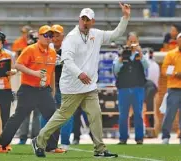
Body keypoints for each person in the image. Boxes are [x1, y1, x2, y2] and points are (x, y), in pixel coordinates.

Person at [32, 3, 130, 158]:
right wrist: (80, 74)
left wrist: (125, 17)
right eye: (83, 19)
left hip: (89, 86)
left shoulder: (96, 34)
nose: (85, 22)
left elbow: (116, 34)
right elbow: (67, 59)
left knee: (95, 115)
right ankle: (39, 141)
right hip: (72, 86)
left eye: (88, 19)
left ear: (93, 21)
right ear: (79, 19)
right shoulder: (71, 38)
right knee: (62, 116)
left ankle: (100, 149)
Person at [0, 25, 65, 154]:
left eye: (50, 35)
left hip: (44, 90)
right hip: (28, 89)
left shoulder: (52, 53)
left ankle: (51, 146)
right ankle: (2, 143)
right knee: (19, 117)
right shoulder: (30, 49)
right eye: (45, 35)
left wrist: (52, 90)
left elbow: (52, 73)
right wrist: (34, 73)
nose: (48, 38)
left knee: (54, 117)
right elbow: (17, 65)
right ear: (39, 36)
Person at [113, 32, 149, 145]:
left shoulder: (142, 54)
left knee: (138, 113)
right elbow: (116, 71)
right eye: (131, 41)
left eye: (135, 41)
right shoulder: (121, 54)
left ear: (138, 42)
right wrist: (121, 57)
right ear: (127, 42)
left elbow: (146, 67)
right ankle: (123, 138)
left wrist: (140, 53)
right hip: (123, 88)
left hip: (138, 87)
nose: (132, 44)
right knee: (123, 114)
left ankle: (139, 138)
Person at [17, 29, 41, 145]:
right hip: (31, 85)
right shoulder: (32, 51)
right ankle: (30, 138)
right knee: (33, 115)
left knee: (29, 114)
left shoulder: (27, 50)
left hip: (31, 85)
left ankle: (24, 138)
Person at [161, 33, 181, 144]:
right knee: (170, 114)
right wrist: (175, 73)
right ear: (177, 41)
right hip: (174, 88)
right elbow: (164, 70)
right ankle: (165, 136)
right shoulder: (171, 54)